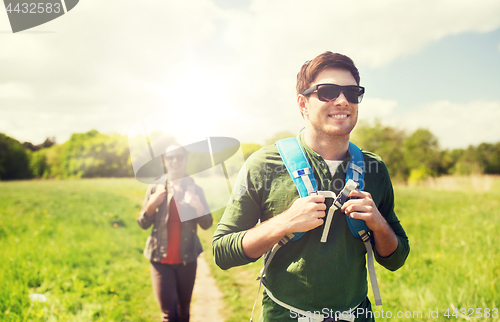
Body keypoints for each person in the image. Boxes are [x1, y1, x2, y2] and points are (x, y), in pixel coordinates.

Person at [212, 52, 410, 321]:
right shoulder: (264, 165)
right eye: (328, 92)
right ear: (303, 103)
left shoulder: (375, 169)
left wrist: (378, 223)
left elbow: (396, 259)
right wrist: (284, 222)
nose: (342, 100)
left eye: (352, 93)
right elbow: (223, 251)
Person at [137, 144, 213, 322]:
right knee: (170, 315)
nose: (175, 160)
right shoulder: (155, 189)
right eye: (171, 157)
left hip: (187, 260)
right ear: (165, 160)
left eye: (180, 157)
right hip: (160, 260)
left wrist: (197, 206)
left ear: (185, 160)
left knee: (183, 311)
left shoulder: (195, 190)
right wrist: (151, 205)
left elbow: (207, 223)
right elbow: (142, 223)